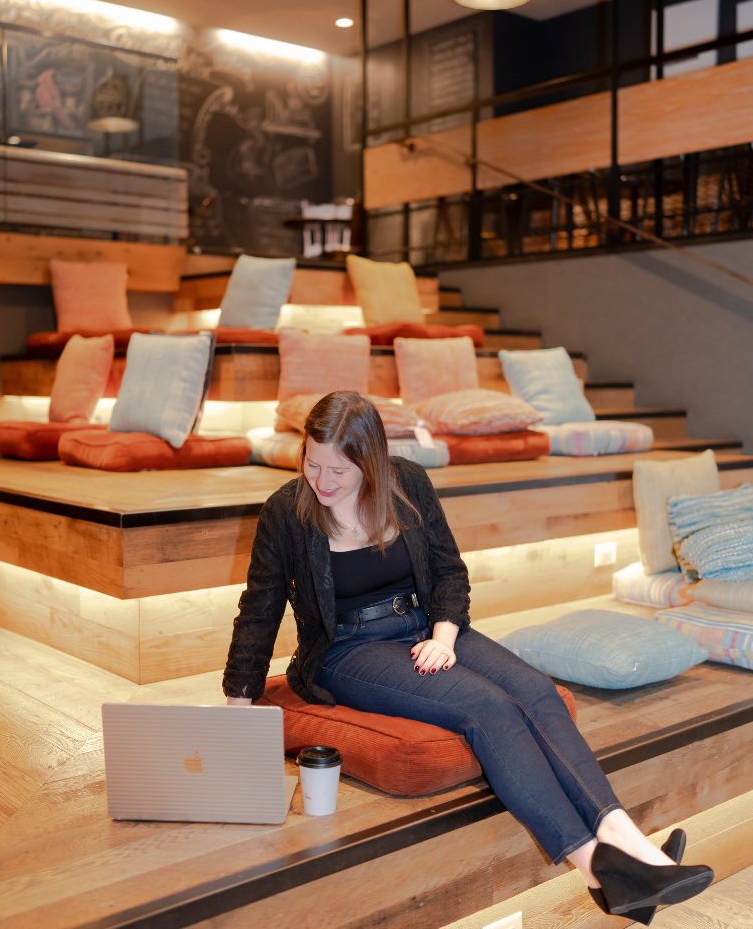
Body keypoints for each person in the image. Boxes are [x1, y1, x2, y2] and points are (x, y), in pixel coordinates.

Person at [224, 391, 713, 924]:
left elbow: (449, 572)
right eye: (311, 464)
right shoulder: (285, 512)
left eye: (338, 469)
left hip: (425, 625)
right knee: (489, 708)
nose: (322, 481)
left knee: (536, 690)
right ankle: (597, 868)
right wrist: (238, 702)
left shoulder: (408, 483)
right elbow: (261, 606)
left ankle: (631, 844)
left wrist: (444, 637)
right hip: (348, 649)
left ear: (372, 461)